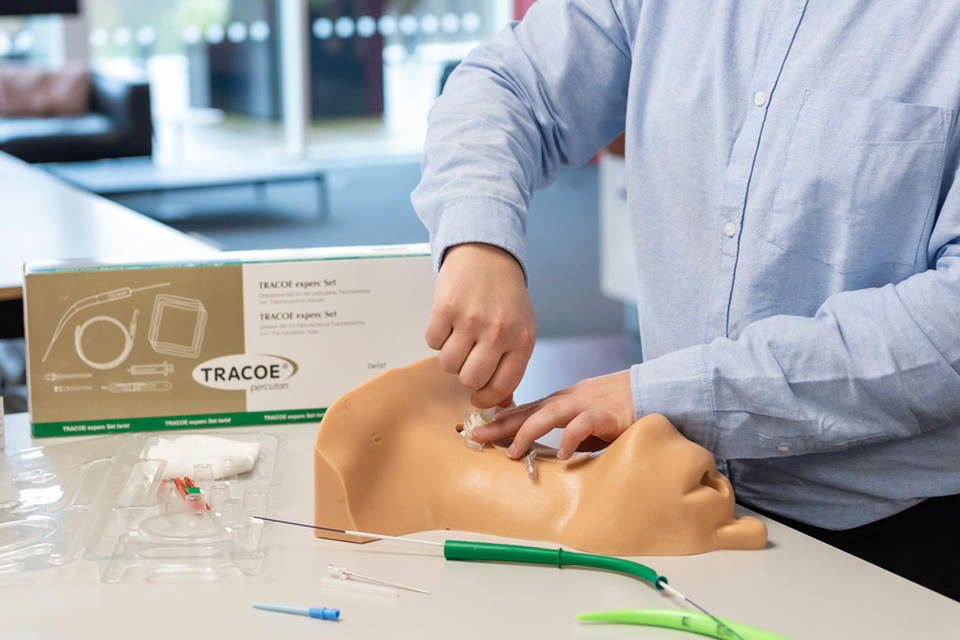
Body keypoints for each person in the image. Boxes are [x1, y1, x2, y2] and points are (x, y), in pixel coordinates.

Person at [411, 1, 960, 600]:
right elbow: (509, 85)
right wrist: (481, 242)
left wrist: (670, 395)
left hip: (902, 536)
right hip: (673, 491)